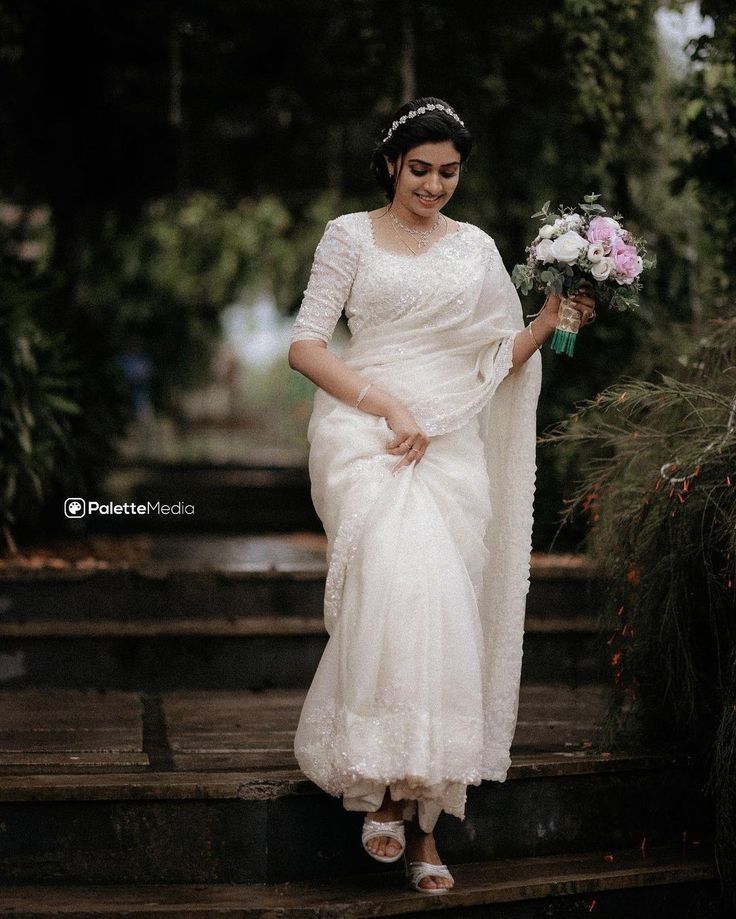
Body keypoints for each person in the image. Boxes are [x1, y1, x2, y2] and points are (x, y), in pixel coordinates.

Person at [288, 96, 596, 894]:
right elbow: (304, 345)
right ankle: (389, 795)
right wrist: (385, 406)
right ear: (392, 162)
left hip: (453, 438)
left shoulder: (477, 249)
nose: (432, 185)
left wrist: (554, 317)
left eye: (448, 172)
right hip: (368, 432)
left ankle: (418, 821)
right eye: (419, 169)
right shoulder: (348, 237)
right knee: (397, 582)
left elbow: (503, 353)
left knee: (443, 610)